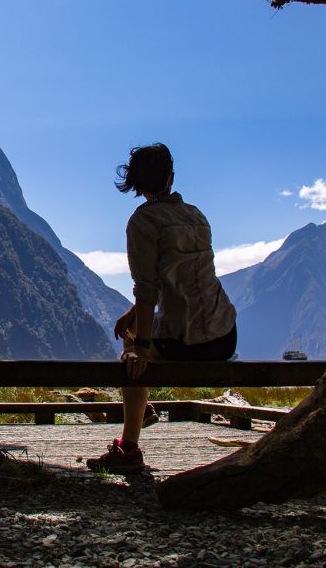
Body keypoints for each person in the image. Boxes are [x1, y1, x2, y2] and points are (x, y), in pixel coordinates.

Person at [86, 143, 237, 474]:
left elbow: (147, 287)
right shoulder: (196, 216)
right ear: (171, 178)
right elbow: (180, 278)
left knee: (130, 349)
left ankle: (128, 449)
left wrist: (139, 347)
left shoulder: (143, 221)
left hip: (188, 342)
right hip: (225, 335)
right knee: (135, 329)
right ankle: (143, 409)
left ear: (136, 185)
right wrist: (132, 314)